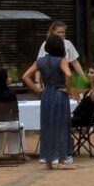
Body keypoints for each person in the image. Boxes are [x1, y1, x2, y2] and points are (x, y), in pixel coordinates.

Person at [32, 35, 74, 169]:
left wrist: (37, 89)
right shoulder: (61, 60)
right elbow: (68, 75)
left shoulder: (40, 61)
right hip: (59, 94)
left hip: (46, 94)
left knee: (48, 125)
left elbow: (25, 76)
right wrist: (67, 89)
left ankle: (48, 160)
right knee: (61, 126)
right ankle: (61, 160)